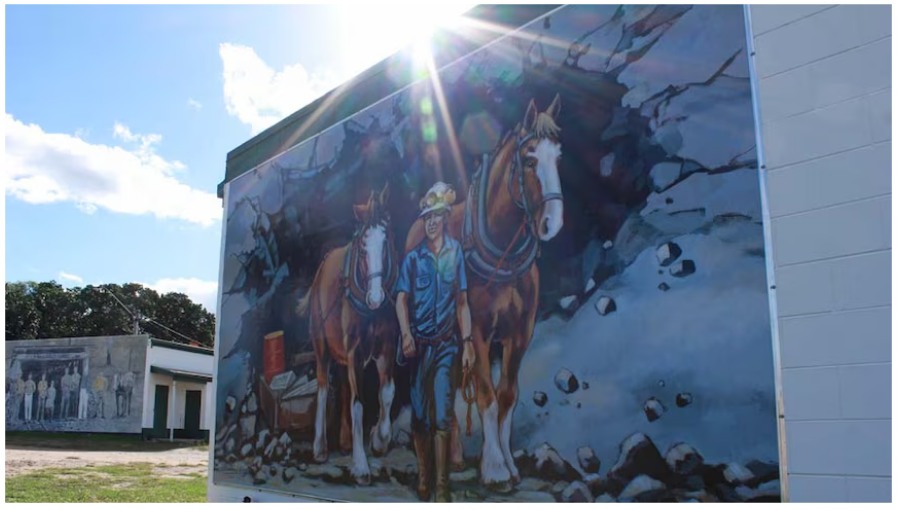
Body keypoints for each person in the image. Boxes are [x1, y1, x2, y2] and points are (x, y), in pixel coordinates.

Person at [395, 182, 474, 502]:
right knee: (421, 418)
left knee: (442, 415)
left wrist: (467, 342)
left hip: (446, 346)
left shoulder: (456, 254)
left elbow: (462, 302)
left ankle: (441, 488)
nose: (430, 222)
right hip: (419, 348)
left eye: (435, 217)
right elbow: (401, 300)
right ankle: (424, 478)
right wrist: (405, 335)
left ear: (444, 218)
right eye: (426, 217)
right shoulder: (413, 260)